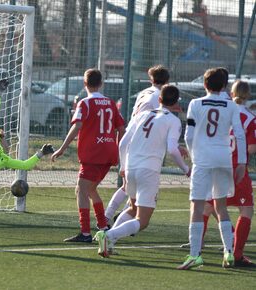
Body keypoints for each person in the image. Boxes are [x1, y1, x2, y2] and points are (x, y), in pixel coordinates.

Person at [94, 85, 190, 257]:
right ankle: (108, 235)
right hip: (148, 171)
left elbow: (123, 143)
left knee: (132, 207)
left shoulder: (143, 115)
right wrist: (186, 169)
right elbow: (172, 149)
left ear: (159, 99)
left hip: (131, 166)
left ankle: (109, 243)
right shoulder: (173, 121)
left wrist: (123, 168)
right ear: (176, 102)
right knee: (142, 220)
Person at [180, 80, 256, 267]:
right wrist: (242, 161)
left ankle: (196, 250)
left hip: (206, 160)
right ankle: (233, 253)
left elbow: (189, 134)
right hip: (232, 164)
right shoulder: (245, 115)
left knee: (203, 206)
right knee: (242, 209)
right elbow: (250, 146)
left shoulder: (199, 104)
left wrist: (193, 154)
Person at [51, 68, 125, 243]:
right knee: (90, 189)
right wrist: (118, 150)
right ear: (101, 84)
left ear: (85, 84)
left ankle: (85, 233)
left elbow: (77, 126)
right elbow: (121, 129)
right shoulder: (110, 103)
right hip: (109, 152)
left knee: (81, 190)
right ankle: (103, 226)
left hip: (93, 153)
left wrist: (62, 148)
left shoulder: (84, 103)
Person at [105, 65, 171, 225]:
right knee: (134, 187)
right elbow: (156, 121)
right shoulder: (158, 97)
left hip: (132, 137)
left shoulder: (144, 93)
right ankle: (113, 219)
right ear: (167, 81)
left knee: (130, 186)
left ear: (151, 79)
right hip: (142, 142)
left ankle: (110, 217)